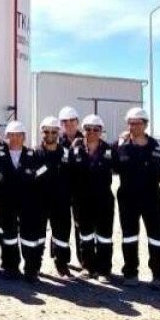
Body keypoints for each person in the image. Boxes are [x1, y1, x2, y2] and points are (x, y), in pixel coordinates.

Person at [112, 107, 160, 288]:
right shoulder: (119, 145)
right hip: (128, 198)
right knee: (129, 236)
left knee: (156, 237)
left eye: (137, 123)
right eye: (130, 123)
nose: (133, 126)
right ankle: (130, 273)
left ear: (145, 124)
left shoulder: (158, 146)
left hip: (152, 198)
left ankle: (158, 275)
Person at [0, 121, 46, 282]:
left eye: (18, 135)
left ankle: (31, 269)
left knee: (29, 238)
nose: (14, 139)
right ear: (7, 137)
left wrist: (39, 202)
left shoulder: (33, 156)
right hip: (5, 203)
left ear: (24, 137)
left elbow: (42, 180)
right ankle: (11, 267)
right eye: (11, 135)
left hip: (28, 204)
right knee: (9, 237)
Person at [68, 114, 115, 282]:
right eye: (88, 129)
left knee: (104, 236)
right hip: (82, 201)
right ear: (83, 131)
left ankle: (104, 270)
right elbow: (68, 172)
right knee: (85, 235)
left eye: (96, 129)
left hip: (103, 200)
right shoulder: (75, 149)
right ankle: (88, 267)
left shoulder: (110, 150)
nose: (92, 132)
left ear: (101, 131)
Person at [35, 116, 74, 278]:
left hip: (61, 202)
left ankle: (62, 264)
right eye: (46, 132)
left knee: (62, 235)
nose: (50, 135)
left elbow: (74, 178)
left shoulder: (67, 154)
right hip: (40, 202)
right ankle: (35, 265)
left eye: (53, 132)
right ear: (42, 133)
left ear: (58, 133)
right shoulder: (34, 153)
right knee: (37, 235)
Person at [58, 106, 87, 271]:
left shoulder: (86, 139)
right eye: (65, 122)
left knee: (80, 224)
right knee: (61, 225)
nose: (68, 124)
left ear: (77, 122)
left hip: (80, 191)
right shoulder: (55, 140)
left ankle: (84, 259)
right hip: (61, 190)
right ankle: (61, 259)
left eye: (72, 121)